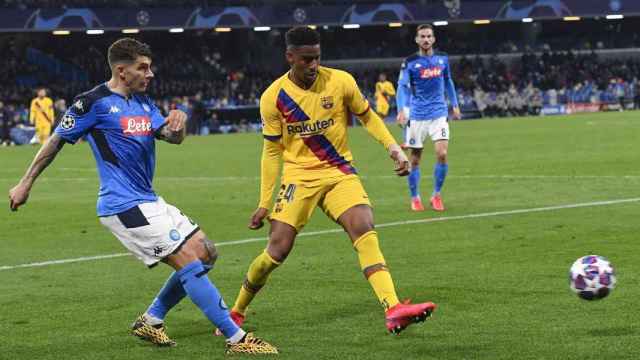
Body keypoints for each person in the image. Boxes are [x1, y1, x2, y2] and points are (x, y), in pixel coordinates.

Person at [8, 38, 276, 355]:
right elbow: (56, 141)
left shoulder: (144, 104)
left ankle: (152, 319)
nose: (150, 74)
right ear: (122, 71)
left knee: (206, 252)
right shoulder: (92, 102)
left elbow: (171, 137)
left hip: (148, 200)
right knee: (188, 261)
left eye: (149, 67)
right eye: (143, 68)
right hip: (121, 205)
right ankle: (237, 339)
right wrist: (25, 183)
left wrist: (180, 125)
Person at [220, 26, 437, 336]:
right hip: (298, 177)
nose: (313, 65)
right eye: (306, 59)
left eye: (317, 58)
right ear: (290, 57)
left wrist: (393, 148)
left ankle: (393, 308)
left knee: (363, 225)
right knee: (277, 251)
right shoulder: (273, 97)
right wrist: (263, 203)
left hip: (338, 172)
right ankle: (237, 311)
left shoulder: (340, 81)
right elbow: (271, 152)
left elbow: (367, 116)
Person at [396, 24, 461, 212]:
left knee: (442, 154)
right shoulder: (409, 62)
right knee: (415, 160)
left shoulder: (442, 59)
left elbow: (448, 81)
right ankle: (415, 197)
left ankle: (436, 195)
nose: (425, 39)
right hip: (417, 116)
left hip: (439, 114)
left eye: (429, 36)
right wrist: (401, 109)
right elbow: (402, 87)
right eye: (422, 36)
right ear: (417, 40)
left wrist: (455, 104)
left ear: (433, 39)